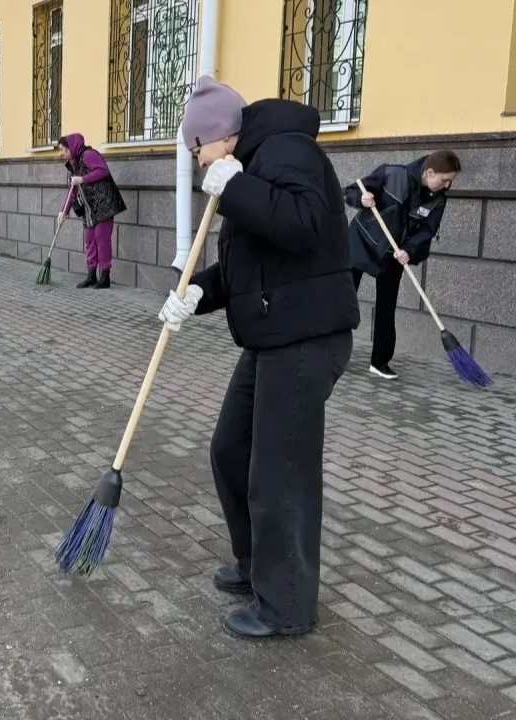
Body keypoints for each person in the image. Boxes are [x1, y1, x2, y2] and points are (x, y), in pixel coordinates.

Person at [157, 76, 359, 639]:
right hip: (275, 336)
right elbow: (253, 267)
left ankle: (287, 605)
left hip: (305, 338)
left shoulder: (286, 149)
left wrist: (237, 187)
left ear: (221, 136)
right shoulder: (247, 168)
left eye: (198, 151)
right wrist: (196, 293)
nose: (199, 164)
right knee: (231, 449)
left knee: (281, 475)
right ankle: (257, 566)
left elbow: (302, 224)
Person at [346, 151, 460, 380]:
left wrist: (409, 251)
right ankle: (329, 350)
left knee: (386, 306)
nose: (447, 185)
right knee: (344, 298)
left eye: (451, 181)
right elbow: (352, 190)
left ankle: (379, 362)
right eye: (445, 179)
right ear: (429, 172)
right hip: (363, 239)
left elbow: (427, 230)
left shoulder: (438, 199)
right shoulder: (392, 174)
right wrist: (361, 198)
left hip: (394, 253)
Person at [59, 133, 126, 289]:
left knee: (101, 239)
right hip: (89, 208)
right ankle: (91, 276)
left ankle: (105, 276)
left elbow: (103, 170)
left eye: (63, 150)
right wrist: (64, 211)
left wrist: (83, 179)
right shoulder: (72, 164)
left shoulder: (89, 155)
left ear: (71, 148)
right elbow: (72, 190)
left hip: (104, 204)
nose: (61, 153)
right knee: (89, 240)